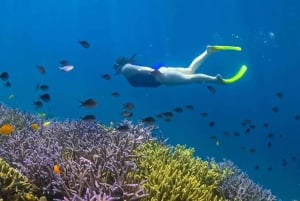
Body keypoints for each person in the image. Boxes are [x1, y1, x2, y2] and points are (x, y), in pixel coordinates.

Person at [114, 45, 247, 87]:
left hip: (161, 77)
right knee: (190, 70)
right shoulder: (127, 68)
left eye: (116, 66)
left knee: (190, 78)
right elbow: (140, 69)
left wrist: (155, 73)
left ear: (120, 64)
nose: (116, 69)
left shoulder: (126, 69)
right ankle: (208, 52)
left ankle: (216, 80)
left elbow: (141, 69)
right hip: (161, 72)